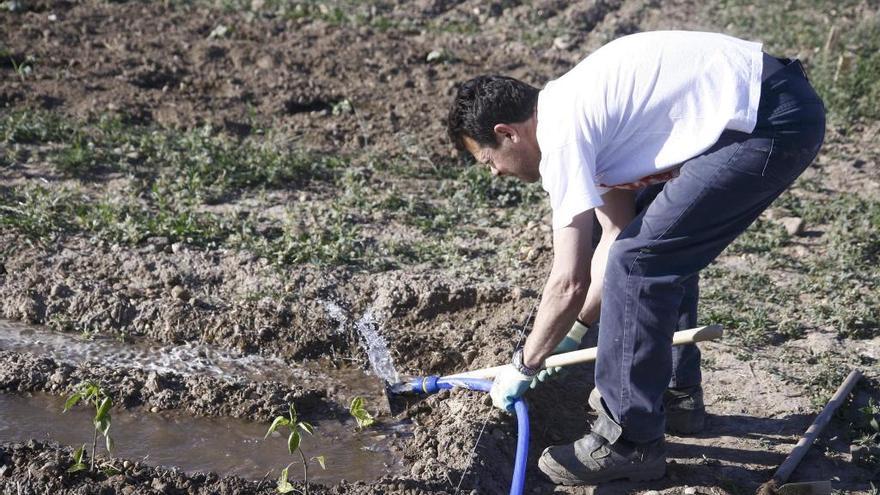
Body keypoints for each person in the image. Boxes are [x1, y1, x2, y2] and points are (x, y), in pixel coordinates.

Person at [444, 30, 825, 484]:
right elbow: (616, 232)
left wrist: (526, 362)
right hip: (772, 104)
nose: (498, 173)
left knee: (641, 259)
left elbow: (569, 281)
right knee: (650, 237)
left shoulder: (561, 135)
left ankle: (628, 442)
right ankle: (673, 395)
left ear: (507, 134)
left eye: (490, 161)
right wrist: (574, 334)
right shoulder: (576, 111)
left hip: (768, 120)